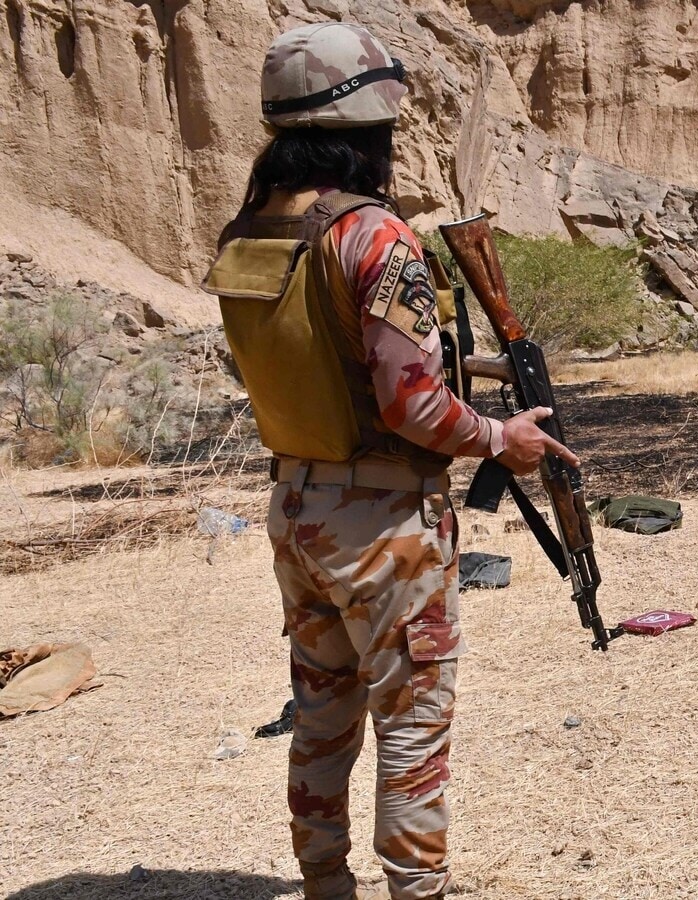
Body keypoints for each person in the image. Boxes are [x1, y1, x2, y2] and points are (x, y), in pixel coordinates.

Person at [202, 22, 576, 900]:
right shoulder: (374, 237)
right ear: (370, 122)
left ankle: (327, 886)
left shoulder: (251, 232)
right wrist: (501, 440)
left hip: (297, 509)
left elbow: (318, 367)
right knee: (411, 725)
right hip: (382, 526)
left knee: (323, 712)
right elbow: (411, 404)